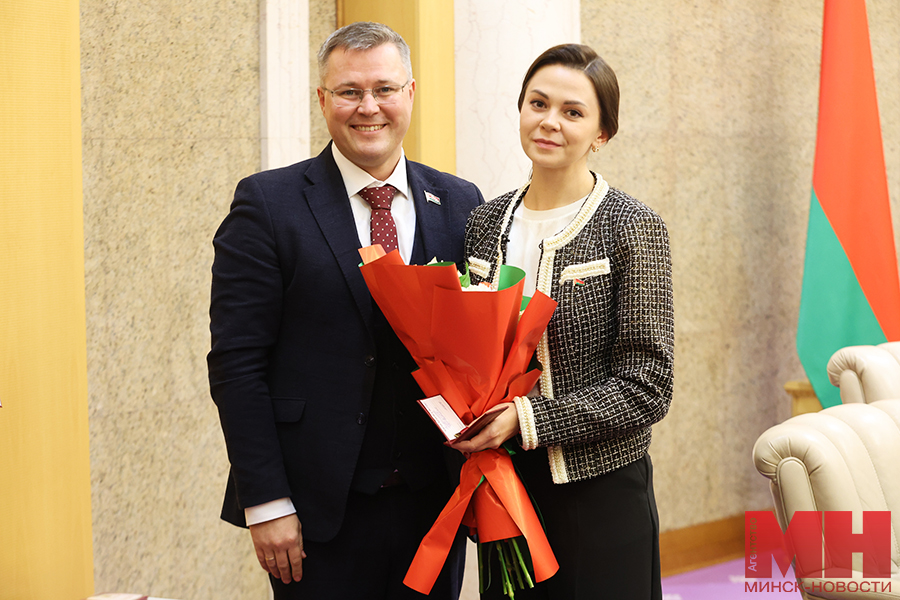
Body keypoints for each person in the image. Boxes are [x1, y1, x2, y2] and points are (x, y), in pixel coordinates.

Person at [208, 21, 483, 599]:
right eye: (349, 92)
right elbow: (236, 365)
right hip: (314, 517)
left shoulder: (460, 203)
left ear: (410, 93)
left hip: (432, 508)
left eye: (384, 89)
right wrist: (266, 501)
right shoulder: (267, 203)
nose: (368, 108)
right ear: (322, 99)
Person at [453, 44, 674, 599]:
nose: (550, 122)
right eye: (538, 103)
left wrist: (527, 421)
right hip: (502, 486)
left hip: (597, 492)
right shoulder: (484, 223)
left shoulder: (632, 226)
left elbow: (649, 386)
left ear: (602, 133)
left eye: (573, 112)